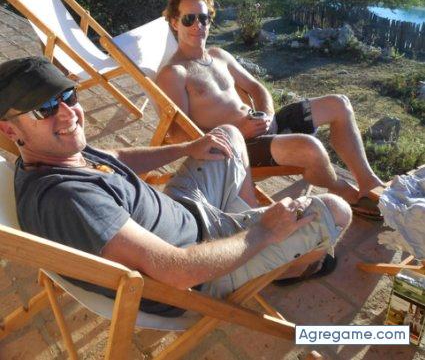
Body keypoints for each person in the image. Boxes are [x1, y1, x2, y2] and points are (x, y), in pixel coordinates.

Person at [0, 57, 351, 316]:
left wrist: (188, 148)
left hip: (184, 212)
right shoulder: (67, 200)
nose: (68, 113)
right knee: (336, 211)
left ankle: (250, 231)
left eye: (68, 95)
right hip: (200, 265)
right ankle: (289, 268)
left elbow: (116, 157)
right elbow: (177, 271)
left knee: (226, 136)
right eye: (44, 108)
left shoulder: (58, 152)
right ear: (9, 129)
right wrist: (264, 232)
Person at [157, 0, 384, 216]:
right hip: (238, 148)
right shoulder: (174, 73)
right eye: (189, 19)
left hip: (263, 125)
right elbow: (180, 136)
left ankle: (369, 183)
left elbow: (257, 88)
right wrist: (239, 131)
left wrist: (266, 115)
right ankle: (343, 191)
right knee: (312, 149)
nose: (198, 25)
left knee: (339, 104)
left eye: (203, 18)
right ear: (174, 23)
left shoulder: (219, 55)